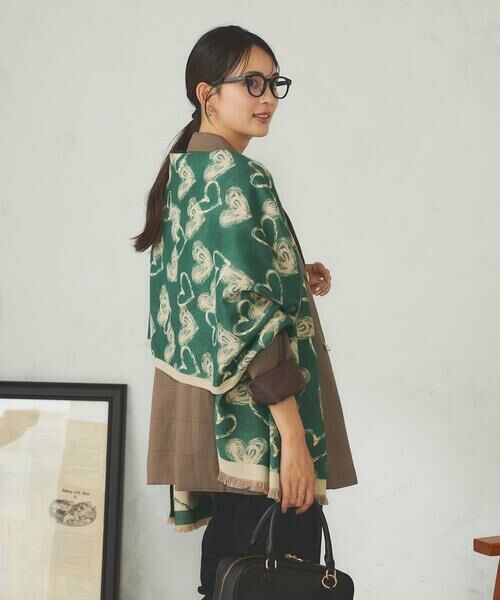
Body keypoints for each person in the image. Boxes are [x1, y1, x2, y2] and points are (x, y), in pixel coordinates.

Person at [132, 24, 358, 600]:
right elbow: (246, 313)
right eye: (251, 82)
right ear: (207, 94)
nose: (267, 97)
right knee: (280, 579)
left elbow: (209, 286)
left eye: (273, 83)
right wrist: (293, 439)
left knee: (230, 579)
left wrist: (295, 274)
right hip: (258, 429)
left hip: (215, 426)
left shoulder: (185, 172)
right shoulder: (238, 175)